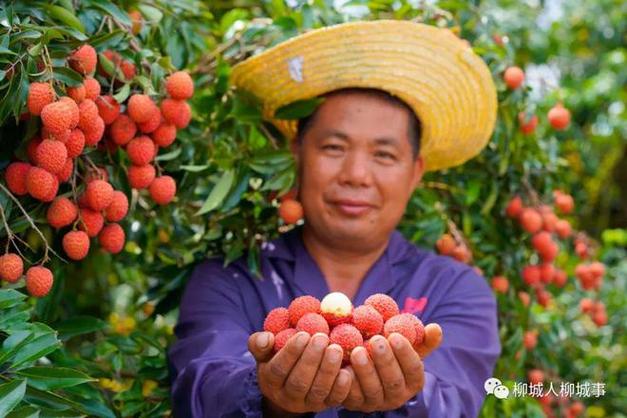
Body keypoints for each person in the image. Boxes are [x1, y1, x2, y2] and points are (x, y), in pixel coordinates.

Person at [168, 20, 501, 417]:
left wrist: (412, 397)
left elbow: (457, 402)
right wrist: (268, 396)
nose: (356, 174)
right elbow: (198, 389)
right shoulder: (230, 278)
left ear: (415, 173)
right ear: (297, 154)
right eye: (333, 147)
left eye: (384, 155)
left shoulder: (457, 289)